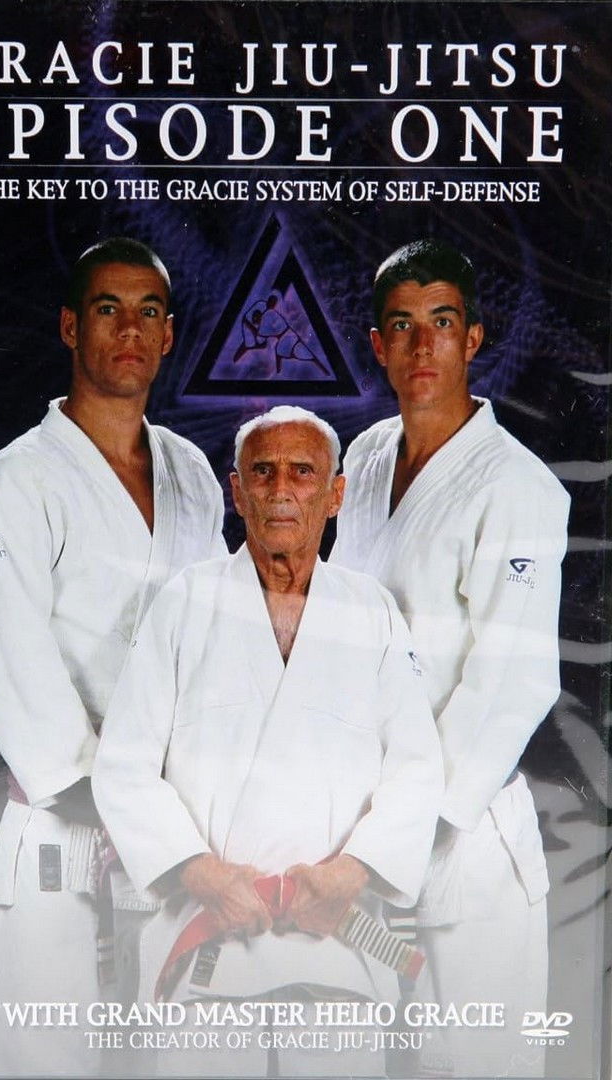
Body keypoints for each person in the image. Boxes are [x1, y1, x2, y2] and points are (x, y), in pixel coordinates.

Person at [93, 405, 444, 1078]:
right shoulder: (184, 602)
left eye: (304, 473)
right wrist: (202, 873)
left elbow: (417, 770)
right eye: (263, 472)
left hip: (336, 944)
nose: (282, 489)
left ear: (335, 495)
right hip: (209, 942)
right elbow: (124, 765)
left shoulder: (371, 610)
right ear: (237, 491)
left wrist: (350, 873)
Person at [0, 237, 226, 1077]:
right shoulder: (17, 482)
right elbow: (0, 658)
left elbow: (220, 637)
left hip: (175, 835)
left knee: (182, 1061)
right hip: (62, 836)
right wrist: (114, 795)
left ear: (169, 335)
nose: (130, 331)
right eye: (109, 309)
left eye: (149, 312)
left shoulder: (191, 474)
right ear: (72, 326)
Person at [332, 239, 570, 1077]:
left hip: (461, 838)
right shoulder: (364, 459)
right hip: (356, 829)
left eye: (441, 322)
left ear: (472, 339)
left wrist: (402, 832)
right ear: (377, 345)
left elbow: (512, 684)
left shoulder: (518, 488)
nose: (421, 345)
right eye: (401, 326)